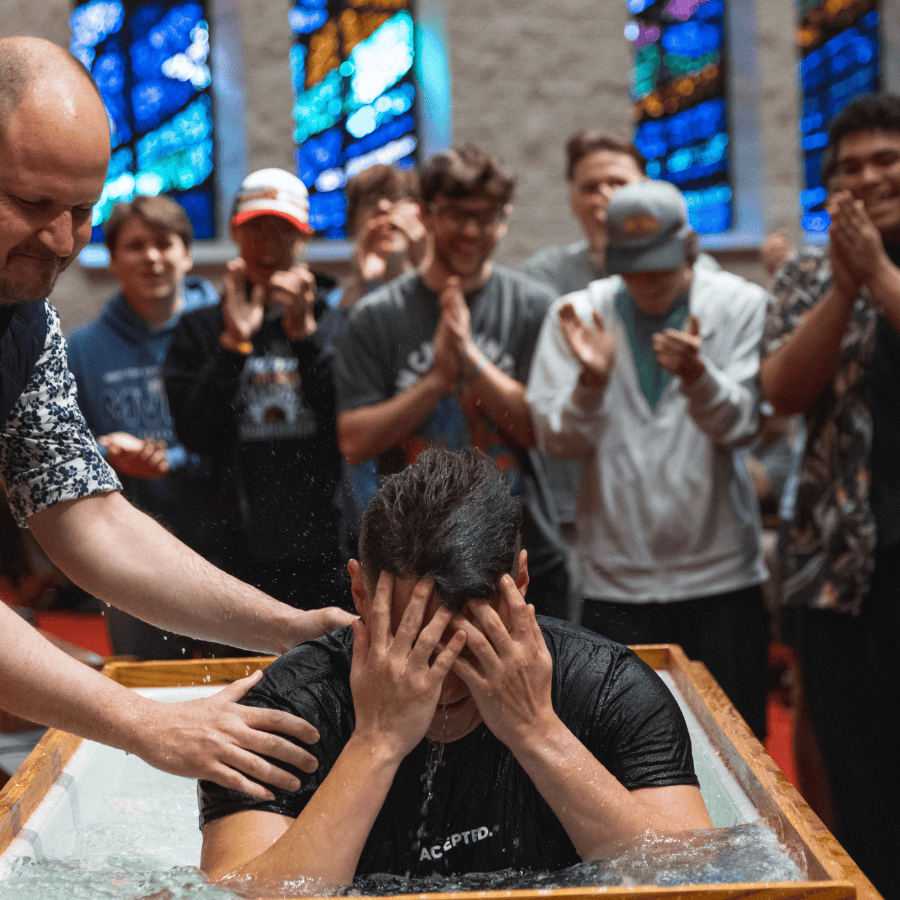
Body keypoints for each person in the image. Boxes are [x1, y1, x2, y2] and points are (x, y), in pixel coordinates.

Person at [0, 35, 353, 797]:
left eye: (81, 210)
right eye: (31, 204)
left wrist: (288, 628)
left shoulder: (25, 323)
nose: (60, 241)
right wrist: (147, 723)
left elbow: (86, 514)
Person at [198, 447, 712, 889]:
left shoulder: (608, 689)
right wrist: (376, 741)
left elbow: (696, 882)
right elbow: (237, 899)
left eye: (474, 640)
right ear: (360, 592)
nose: (439, 677)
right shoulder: (287, 712)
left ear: (522, 582)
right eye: (414, 640)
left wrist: (538, 730)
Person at [527, 179, 770, 738]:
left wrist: (700, 378)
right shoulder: (579, 313)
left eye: (661, 267)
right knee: (625, 746)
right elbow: (556, 440)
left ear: (689, 247)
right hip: (617, 578)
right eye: (634, 270)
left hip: (720, 572)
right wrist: (591, 384)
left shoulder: (738, 304)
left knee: (738, 744)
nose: (649, 282)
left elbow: (745, 429)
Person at [759, 92, 900, 900]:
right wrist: (845, 288)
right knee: (855, 762)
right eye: (850, 167)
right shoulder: (809, 273)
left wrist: (879, 273)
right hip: (843, 563)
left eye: (886, 159)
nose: (869, 177)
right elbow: (780, 392)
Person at [333, 145, 569, 619]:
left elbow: (540, 430)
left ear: (504, 219)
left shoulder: (533, 306)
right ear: (425, 214)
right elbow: (354, 441)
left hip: (522, 552)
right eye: (457, 215)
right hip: (410, 562)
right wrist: (436, 382)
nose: (471, 231)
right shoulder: (375, 318)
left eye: (486, 217)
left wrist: (472, 362)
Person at [164, 168, 351, 614]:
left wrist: (306, 341)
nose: (268, 245)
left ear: (303, 237)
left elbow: (349, 431)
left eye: (282, 231)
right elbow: (195, 435)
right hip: (235, 547)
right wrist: (232, 346)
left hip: (324, 547)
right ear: (235, 233)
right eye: (256, 230)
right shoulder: (199, 329)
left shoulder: (335, 325)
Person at [66, 195, 219, 659]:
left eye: (164, 243)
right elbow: (61, 447)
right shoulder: (81, 349)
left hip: (221, 538)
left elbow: (241, 437)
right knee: (148, 682)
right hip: (130, 552)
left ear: (187, 254)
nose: (151, 257)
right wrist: (109, 453)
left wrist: (173, 459)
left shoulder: (226, 334)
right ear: (113, 259)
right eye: (135, 246)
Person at [317, 164, 426, 539]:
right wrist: (362, 289)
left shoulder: (443, 293)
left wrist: (422, 264)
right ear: (352, 224)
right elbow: (328, 388)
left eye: (396, 198)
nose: (383, 208)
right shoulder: (333, 305)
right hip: (363, 498)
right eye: (369, 202)